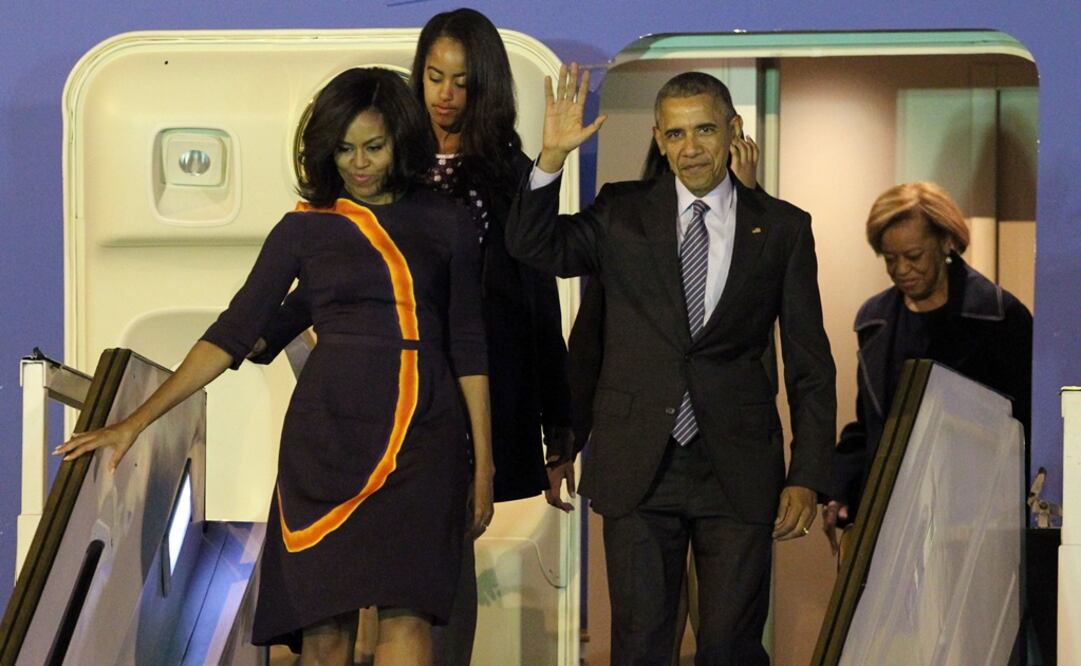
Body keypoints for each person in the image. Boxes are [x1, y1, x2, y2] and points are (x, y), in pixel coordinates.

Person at [55, 67, 492, 666]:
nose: (358, 163)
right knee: (323, 631)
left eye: (374, 147)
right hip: (327, 438)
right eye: (344, 149)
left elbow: (469, 346)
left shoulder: (448, 222)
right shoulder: (303, 230)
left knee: (408, 619)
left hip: (424, 435)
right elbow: (233, 333)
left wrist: (484, 467)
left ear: (401, 142)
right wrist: (134, 420)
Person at [253, 10, 573, 664]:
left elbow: (535, 301)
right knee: (334, 606)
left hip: (454, 395)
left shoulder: (505, 173)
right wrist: (266, 334)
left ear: (485, 86)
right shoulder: (374, 162)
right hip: (362, 401)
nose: (445, 93)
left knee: (430, 598)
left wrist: (557, 429)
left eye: (461, 79)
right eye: (433, 76)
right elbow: (323, 278)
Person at [507, 66, 836, 664]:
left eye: (705, 130)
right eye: (677, 134)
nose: (691, 149)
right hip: (639, 461)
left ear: (733, 128)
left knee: (730, 647)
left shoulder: (784, 227)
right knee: (639, 648)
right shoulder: (620, 212)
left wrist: (808, 472)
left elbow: (811, 363)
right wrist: (550, 159)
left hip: (737, 466)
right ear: (659, 139)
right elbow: (535, 249)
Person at [823, 181, 1032, 552]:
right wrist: (841, 488)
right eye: (890, 258)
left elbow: (1026, 424)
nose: (901, 269)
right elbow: (868, 426)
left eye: (914, 255)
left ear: (946, 242)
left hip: (975, 524)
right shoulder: (874, 322)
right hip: (891, 520)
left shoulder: (999, 317)